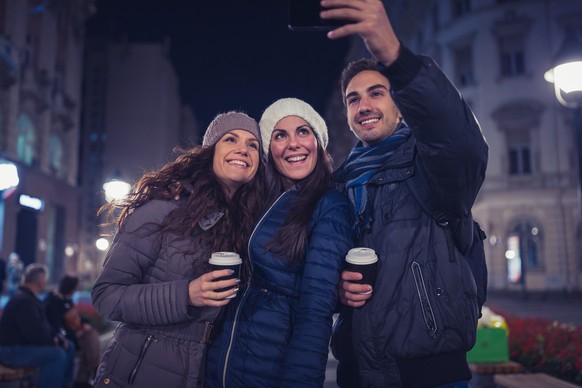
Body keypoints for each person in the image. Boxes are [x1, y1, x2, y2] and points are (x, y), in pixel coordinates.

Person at [320, 1, 489, 387]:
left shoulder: (431, 164)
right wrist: (338, 290)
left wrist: (394, 56)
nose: (364, 105)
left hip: (432, 374)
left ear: (399, 103)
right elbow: (319, 269)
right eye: (353, 98)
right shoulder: (340, 185)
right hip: (358, 373)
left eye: (377, 93)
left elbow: (461, 144)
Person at [91, 111, 265, 388]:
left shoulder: (250, 226)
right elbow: (106, 296)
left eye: (253, 144)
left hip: (207, 369)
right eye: (230, 139)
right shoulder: (162, 211)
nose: (242, 149)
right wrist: (186, 294)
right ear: (210, 152)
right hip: (140, 371)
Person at [205, 98, 354, 387]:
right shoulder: (255, 198)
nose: (293, 143)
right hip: (219, 365)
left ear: (319, 143)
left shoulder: (329, 206)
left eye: (303, 131)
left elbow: (316, 311)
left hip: (271, 370)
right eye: (280, 135)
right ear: (269, 150)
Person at [0, 263, 76, 388]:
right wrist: (53, 341)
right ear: (40, 281)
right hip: (11, 350)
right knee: (57, 355)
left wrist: (57, 338)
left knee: (69, 346)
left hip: (21, 347)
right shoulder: (23, 301)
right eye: (45, 280)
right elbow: (33, 333)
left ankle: (65, 384)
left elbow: (43, 326)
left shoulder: (29, 298)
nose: (45, 283)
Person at [44, 275, 101, 387]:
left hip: (75, 333)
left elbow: (77, 316)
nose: (77, 290)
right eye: (76, 287)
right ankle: (91, 372)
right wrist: (75, 334)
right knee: (90, 339)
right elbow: (56, 325)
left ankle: (84, 378)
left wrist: (85, 324)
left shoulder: (66, 299)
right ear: (70, 288)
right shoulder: (55, 300)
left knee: (91, 336)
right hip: (66, 336)